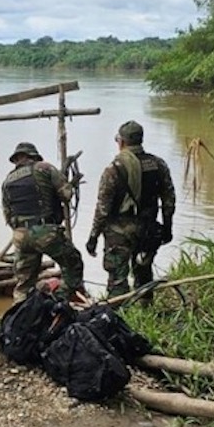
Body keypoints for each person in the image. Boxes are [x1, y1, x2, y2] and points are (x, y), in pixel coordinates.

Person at [85, 121, 176, 302]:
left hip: (118, 232)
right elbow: (169, 201)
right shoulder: (158, 164)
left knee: (118, 280)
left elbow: (103, 209)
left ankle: (118, 319)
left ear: (122, 142)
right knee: (143, 273)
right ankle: (145, 310)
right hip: (148, 229)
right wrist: (167, 228)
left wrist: (93, 236)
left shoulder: (114, 169)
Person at [2, 142, 84, 304]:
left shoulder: (8, 181)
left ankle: (19, 312)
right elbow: (66, 195)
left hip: (20, 236)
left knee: (24, 282)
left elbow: (7, 214)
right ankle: (59, 300)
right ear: (33, 156)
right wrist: (70, 184)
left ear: (17, 159)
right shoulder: (44, 168)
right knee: (73, 265)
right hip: (45, 231)